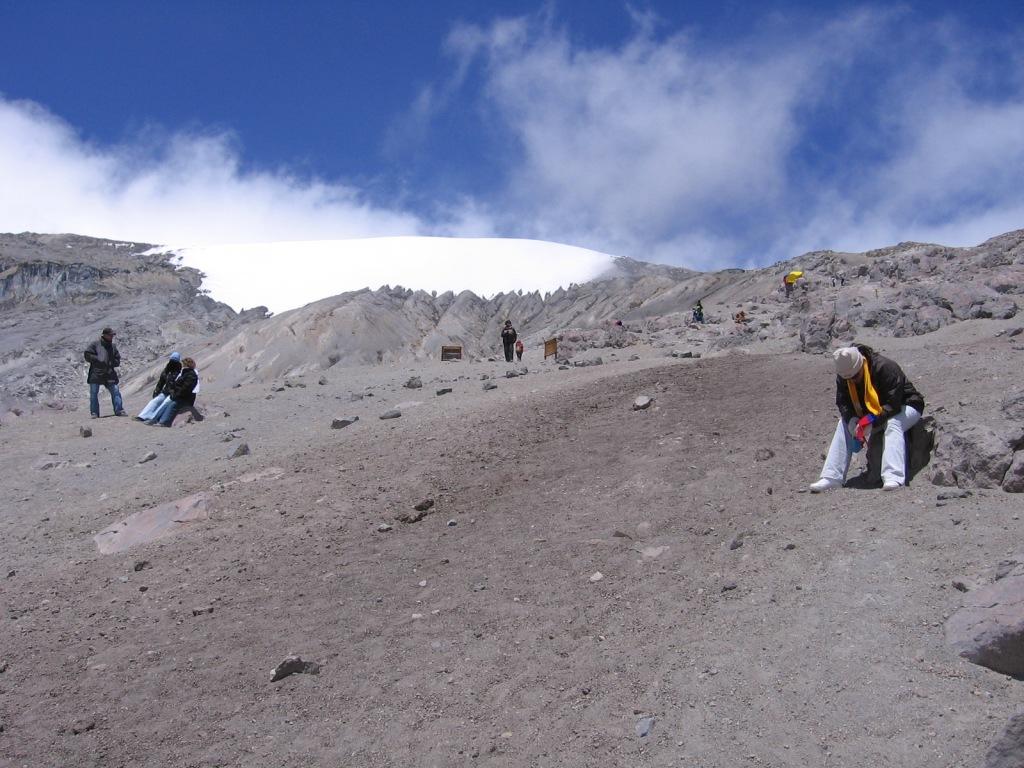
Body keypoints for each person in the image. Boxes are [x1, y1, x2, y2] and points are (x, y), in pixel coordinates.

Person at [809, 345, 925, 493]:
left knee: (893, 423)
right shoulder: (845, 375)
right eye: (849, 379)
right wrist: (852, 419)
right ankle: (832, 477)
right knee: (843, 423)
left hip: (906, 406)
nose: (853, 381)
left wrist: (871, 421)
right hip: (873, 412)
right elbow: (843, 402)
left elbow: (893, 404)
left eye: (855, 376)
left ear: (861, 364)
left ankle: (893, 476)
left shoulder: (885, 367)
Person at [84, 327, 126, 417]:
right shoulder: (95, 344)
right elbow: (87, 355)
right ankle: (94, 413)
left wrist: (111, 363)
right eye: (110, 335)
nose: (112, 337)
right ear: (105, 335)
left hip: (109, 373)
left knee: (115, 390)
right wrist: (97, 360)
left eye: (112, 335)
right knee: (94, 393)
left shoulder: (113, 347)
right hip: (96, 373)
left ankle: (119, 410)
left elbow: (117, 359)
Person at [147, 357, 199, 427]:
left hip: (186, 398)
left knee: (172, 404)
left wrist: (175, 395)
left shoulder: (191, 375)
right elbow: (177, 385)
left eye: (184, 364)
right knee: (166, 402)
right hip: (180, 395)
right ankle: (155, 419)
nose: (182, 365)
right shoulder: (185, 373)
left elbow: (185, 389)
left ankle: (163, 422)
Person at [136, 352, 182, 421]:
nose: (173, 362)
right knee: (154, 401)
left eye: (174, 361)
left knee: (165, 403)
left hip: (173, 394)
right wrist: (157, 391)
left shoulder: (180, 372)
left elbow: (180, 385)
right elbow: (161, 382)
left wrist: (174, 393)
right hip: (165, 392)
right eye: (172, 360)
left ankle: (153, 418)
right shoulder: (167, 369)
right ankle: (142, 416)